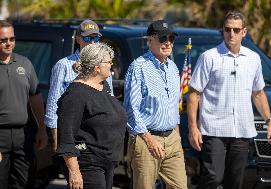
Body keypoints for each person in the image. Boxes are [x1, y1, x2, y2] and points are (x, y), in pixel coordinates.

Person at [187, 10, 271, 189]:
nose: (231, 34)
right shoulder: (209, 57)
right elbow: (194, 94)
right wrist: (193, 128)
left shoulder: (253, 59)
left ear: (244, 32)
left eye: (236, 30)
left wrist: (269, 121)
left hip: (242, 132)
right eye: (228, 29)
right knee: (213, 177)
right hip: (214, 130)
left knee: (235, 182)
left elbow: (258, 93)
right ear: (223, 30)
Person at [124, 20, 187, 189]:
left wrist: (178, 138)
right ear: (150, 40)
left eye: (171, 38)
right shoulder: (138, 67)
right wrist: (149, 140)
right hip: (146, 138)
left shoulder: (173, 67)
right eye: (162, 38)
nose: (167, 42)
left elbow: (174, 106)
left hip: (172, 139)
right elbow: (131, 109)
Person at [56, 43, 127, 189]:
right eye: (108, 62)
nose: (111, 65)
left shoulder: (103, 87)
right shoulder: (75, 95)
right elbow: (67, 138)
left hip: (107, 162)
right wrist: (74, 172)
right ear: (97, 67)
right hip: (88, 164)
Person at [45, 19, 113, 151]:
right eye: (87, 38)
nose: (92, 42)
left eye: (96, 38)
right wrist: (56, 138)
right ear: (78, 40)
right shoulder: (63, 65)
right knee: (75, 169)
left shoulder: (104, 65)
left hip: (98, 135)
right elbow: (53, 103)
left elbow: (110, 100)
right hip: (73, 133)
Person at [0, 20, 47, 189]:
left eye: (11, 39)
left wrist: (41, 128)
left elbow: (35, 98)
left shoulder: (25, 64)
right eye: (3, 40)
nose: (8, 43)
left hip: (24, 135)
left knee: (25, 182)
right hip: (1, 136)